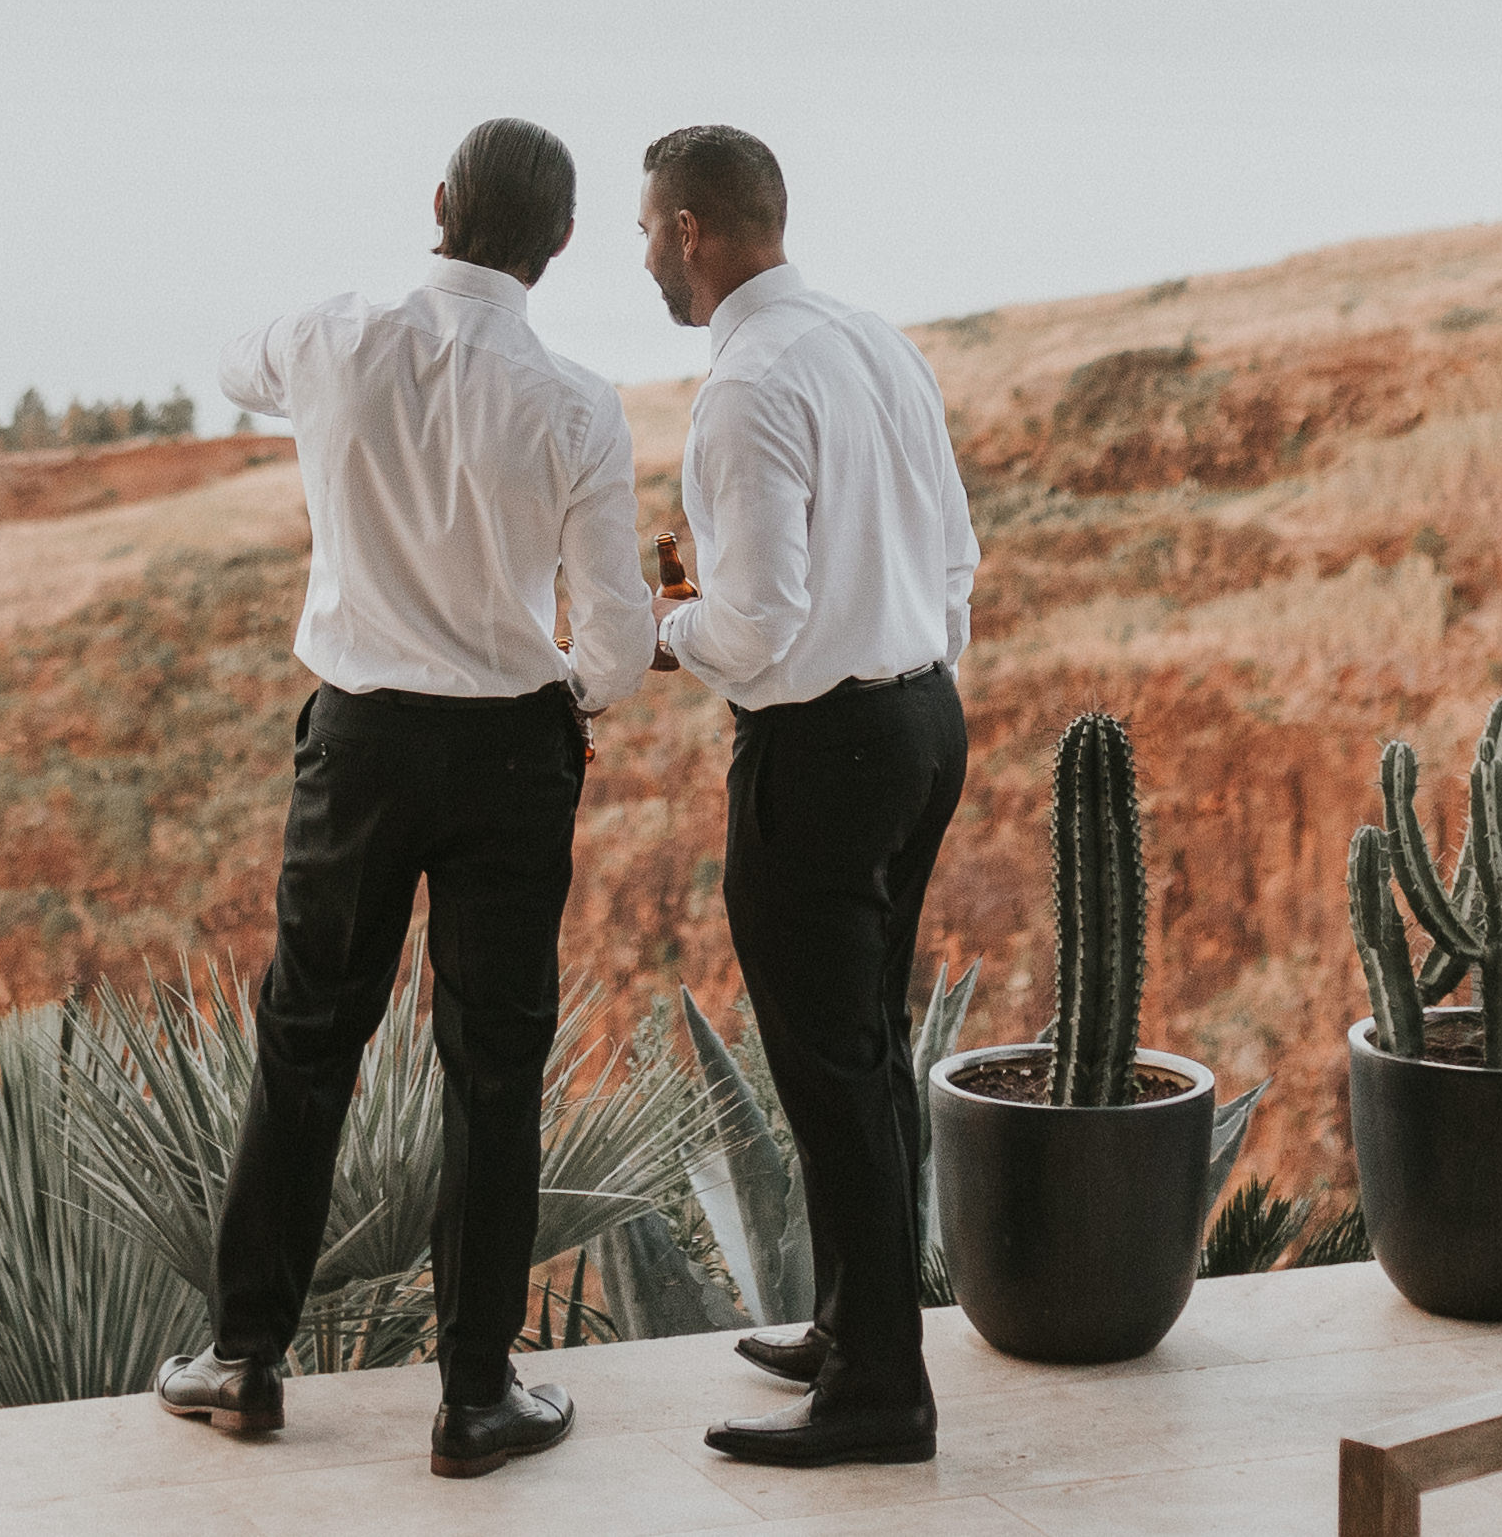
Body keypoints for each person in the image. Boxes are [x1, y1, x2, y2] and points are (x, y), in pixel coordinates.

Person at [153, 116, 645, 1481]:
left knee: (309, 1040)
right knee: (492, 1070)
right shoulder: (578, 402)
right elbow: (612, 635)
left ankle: (245, 1360)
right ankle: (476, 1397)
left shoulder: (331, 334)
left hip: (360, 742)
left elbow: (233, 361)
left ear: (436, 202)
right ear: (555, 247)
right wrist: (580, 701)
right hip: (509, 755)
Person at [639, 121, 980, 1470]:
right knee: (865, 1053)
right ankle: (851, 1326)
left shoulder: (745, 387)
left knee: (829, 1071)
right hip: (919, 724)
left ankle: (881, 1395)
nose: (649, 261)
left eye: (648, 232)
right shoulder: (869, 338)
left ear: (689, 232)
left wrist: (668, 630)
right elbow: (954, 555)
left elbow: (760, 624)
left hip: (825, 754)